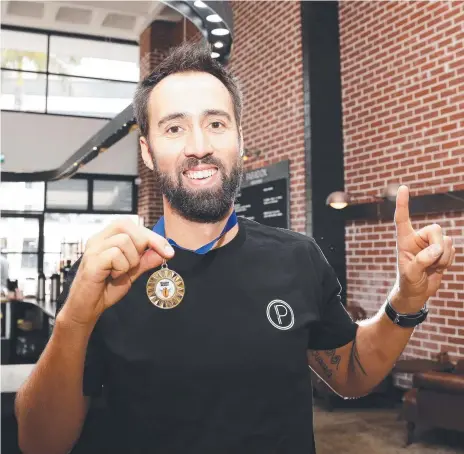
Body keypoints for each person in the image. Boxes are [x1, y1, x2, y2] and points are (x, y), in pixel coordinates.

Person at [15, 42, 455, 454]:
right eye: (174, 128)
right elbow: (39, 442)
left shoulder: (297, 258)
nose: (200, 147)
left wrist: (407, 299)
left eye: (216, 123)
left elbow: (351, 375)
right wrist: (75, 318)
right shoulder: (107, 274)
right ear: (147, 152)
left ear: (239, 141)